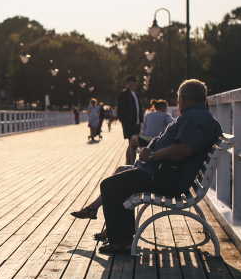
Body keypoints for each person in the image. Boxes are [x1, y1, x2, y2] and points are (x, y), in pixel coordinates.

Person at [69, 79, 222, 254]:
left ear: (185, 99)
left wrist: (153, 155)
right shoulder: (197, 116)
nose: (178, 102)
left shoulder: (195, 118)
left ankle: (121, 242)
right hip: (167, 174)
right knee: (119, 178)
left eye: (178, 99)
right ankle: (118, 234)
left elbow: (183, 149)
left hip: (168, 179)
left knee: (110, 185)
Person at [116, 76, 143, 164]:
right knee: (132, 144)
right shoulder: (124, 95)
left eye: (134, 83)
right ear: (127, 84)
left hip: (137, 123)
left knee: (133, 145)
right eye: (131, 83)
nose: (133, 84)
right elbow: (120, 110)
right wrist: (124, 122)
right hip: (129, 124)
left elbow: (139, 108)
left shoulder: (136, 94)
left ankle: (129, 164)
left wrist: (141, 121)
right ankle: (130, 164)